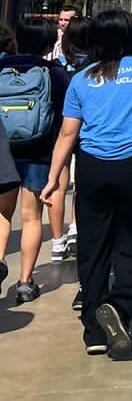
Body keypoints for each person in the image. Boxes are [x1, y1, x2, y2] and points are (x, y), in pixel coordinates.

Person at [41, 9, 132, 357]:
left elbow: (68, 133)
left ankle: (94, 332)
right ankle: (119, 305)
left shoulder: (82, 79)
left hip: (92, 169)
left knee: (93, 247)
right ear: (130, 37)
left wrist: (54, 177)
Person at [0, 16, 69, 303]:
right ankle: (25, 282)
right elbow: (66, 117)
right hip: (39, 153)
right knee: (31, 218)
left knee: (2, 214)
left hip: (2, 153)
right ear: (49, 43)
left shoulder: (1, 68)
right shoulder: (54, 73)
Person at [51, 15, 90, 261]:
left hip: (59, 129)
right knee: (82, 182)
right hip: (86, 129)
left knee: (58, 182)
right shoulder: (94, 68)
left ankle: (56, 241)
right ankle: (76, 227)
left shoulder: (55, 66)